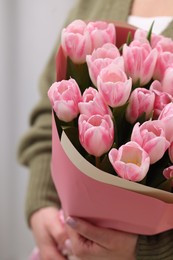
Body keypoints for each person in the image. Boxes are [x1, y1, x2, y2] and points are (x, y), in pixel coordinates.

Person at [18, 0, 173, 259]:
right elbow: (50, 111)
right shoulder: (93, 4)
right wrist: (41, 205)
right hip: (66, 245)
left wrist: (148, 250)